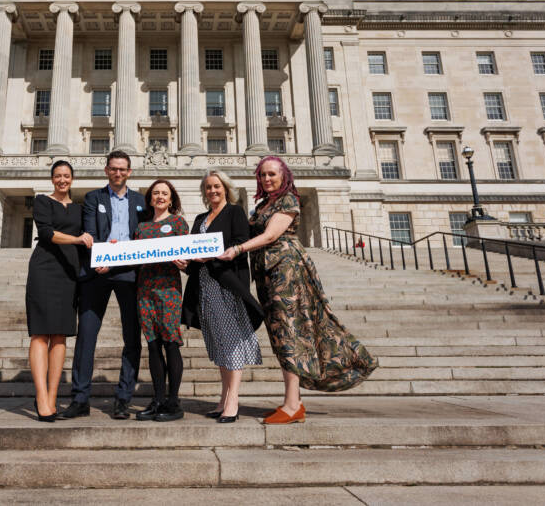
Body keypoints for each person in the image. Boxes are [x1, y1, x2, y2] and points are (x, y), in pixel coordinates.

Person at [219, 156, 378, 424]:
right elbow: (244, 232)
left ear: (284, 176)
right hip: (267, 274)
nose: (266, 179)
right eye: (262, 175)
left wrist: (237, 249)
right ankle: (293, 402)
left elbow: (270, 236)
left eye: (271, 174)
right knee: (281, 334)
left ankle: (292, 405)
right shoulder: (261, 206)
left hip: (287, 270)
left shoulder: (288, 200)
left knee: (289, 331)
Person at [60, 150, 147, 421]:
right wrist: (103, 257)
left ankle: (123, 398)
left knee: (132, 337)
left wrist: (117, 259)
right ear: (106, 170)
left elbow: (143, 238)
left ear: (129, 172)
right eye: (113, 169)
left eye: (123, 169)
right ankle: (80, 398)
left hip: (129, 273)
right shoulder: (92, 198)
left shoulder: (141, 201)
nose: (118, 173)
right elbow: (90, 232)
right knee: (86, 335)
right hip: (97, 271)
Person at [180, 170, 263, 424]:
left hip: (226, 285)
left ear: (226, 188)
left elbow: (240, 244)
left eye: (217, 186)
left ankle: (233, 401)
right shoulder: (200, 218)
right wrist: (184, 263)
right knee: (218, 344)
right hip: (204, 287)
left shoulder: (235, 212)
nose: (212, 191)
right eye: (208, 187)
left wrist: (215, 255)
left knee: (231, 341)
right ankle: (223, 398)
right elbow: (195, 255)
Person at [26, 160, 93, 422]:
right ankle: (41, 396)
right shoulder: (43, 201)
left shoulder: (80, 208)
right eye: (57, 176)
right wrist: (77, 239)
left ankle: (52, 395)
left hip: (69, 273)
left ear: (72, 179)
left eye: (66, 176)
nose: (62, 180)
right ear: (52, 178)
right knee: (41, 334)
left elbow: (92, 234)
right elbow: (45, 233)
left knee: (61, 336)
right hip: (45, 269)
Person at [133, 180, 189, 422]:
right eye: (156, 193)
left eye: (164, 193)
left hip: (168, 289)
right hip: (145, 289)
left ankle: (173, 401)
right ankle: (157, 399)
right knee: (153, 344)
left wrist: (184, 262)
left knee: (170, 342)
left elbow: (189, 256)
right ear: (150, 198)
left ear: (171, 198)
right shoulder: (142, 226)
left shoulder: (178, 223)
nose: (160, 197)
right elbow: (132, 256)